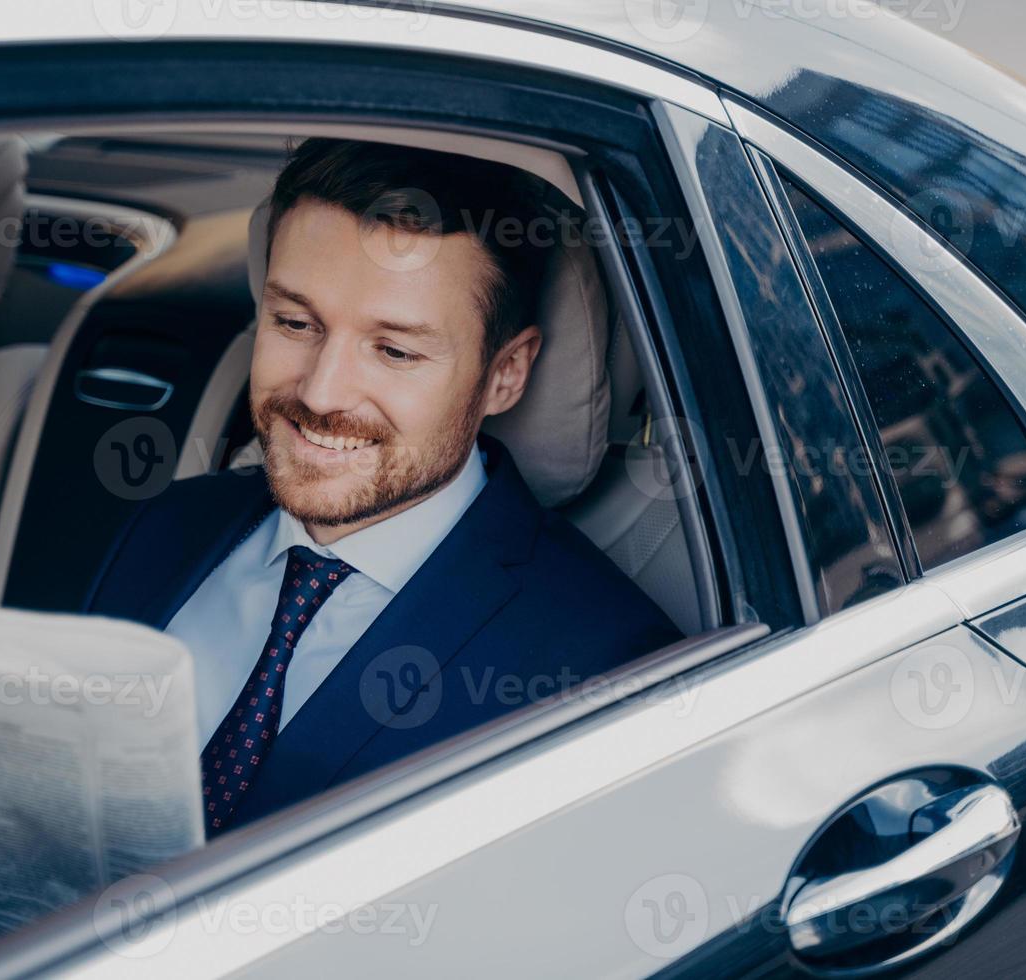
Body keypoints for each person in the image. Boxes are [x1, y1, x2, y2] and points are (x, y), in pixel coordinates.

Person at [87, 139, 682, 837]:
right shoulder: (167, 524)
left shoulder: (604, 667)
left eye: (395, 350)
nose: (321, 392)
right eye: (295, 323)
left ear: (506, 375)